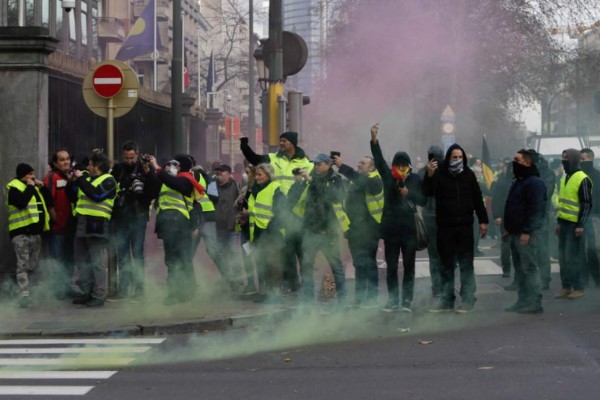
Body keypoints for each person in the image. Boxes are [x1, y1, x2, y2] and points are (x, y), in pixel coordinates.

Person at [240, 132, 313, 293]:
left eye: (284, 141)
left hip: (299, 213)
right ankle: (291, 285)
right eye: (280, 140)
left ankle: (306, 287)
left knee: (300, 251)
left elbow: (313, 185)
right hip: (279, 211)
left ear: (292, 143)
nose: (280, 143)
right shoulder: (273, 158)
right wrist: (244, 145)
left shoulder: (307, 163)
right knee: (285, 252)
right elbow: (255, 158)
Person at [422, 143, 489, 313]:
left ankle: (467, 299)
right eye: (454, 157)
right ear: (448, 158)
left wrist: (483, 220)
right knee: (446, 265)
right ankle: (446, 300)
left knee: (466, 264)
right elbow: (426, 193)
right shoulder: (440, 175)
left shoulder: (469, 175)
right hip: (445, 226)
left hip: (465, 226)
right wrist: (429, 175)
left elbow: (477, 198)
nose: (457, 160)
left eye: (460, 157)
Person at [370, 124, 425, 312]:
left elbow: (423, 200)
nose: (401, 168)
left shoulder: (415, 179)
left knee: (409, 268)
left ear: (409, 166)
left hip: (409, 231)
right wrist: (374, 140)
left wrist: (408, 194)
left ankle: (407, 301)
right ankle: (393, 301)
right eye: (397, 165)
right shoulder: (388, 178)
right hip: (391, 231)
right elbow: (379, 161)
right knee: (391, 267)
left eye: (404, 165)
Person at [150, 155, 204, 305]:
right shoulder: (168, 180)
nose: (171, 166)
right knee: (171, 261)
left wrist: (158, 168)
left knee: (183, 259)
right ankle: (174, 292)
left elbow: (173, 182)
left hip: (181, 226)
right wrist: (148, 169)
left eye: (175, 164)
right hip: (168, 226)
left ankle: (187, 291)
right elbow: (154, 189)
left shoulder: (186, 180)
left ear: (181, 166)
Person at [296, 153, 349, 306]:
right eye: (315, 164)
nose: (316, 167)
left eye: (319, 164)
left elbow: (331, 197)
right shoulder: (311, 179)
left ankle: (342, 300)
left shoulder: (336, 180)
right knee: (306, 267)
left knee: (336, 267)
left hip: (328, 232)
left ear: (328, 165)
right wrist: (299, 182)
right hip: (311, 231)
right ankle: (307, 300)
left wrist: (310, 180)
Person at [333, 154, 384, 307]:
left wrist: (342, 167)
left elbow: (362, 181)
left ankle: (372, 297)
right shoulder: (354, 182)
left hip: (369, 229)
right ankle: (360, 297)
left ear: (371, 167)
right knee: (358, 264)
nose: (359, 164)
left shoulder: (375, 180)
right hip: (354, 229)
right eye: (359, 161)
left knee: (368, 263)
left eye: (363, 163)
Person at [503, 150, 547, 314]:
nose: (514, 163)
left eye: (517, 160)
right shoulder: (519, 181)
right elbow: (514, 207)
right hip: (516, 232)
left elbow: (536, 210)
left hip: (526, 234)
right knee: (520, 269)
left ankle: (535, 302)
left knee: (529, 268)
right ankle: (522, 301)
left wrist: (527, 231)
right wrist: (509, 229)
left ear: (528, 163)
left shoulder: (534, 183)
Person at [110, 141, 155, 300]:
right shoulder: (118, 169)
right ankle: (124, 288)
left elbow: (153, 190)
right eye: (126, 157)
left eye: (132, 157)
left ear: (137, 154)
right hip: (122, 216)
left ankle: (139, 289)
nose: (129, 161)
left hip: (138, 216)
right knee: (122, 254)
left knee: (137, 254)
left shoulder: (144, 168)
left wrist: (147, 171)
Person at [71, 152, 117, 307]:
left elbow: (97, 195)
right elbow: (73, 196)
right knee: (82, 259)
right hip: (82, 222)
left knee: (97, 261)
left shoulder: (109, 180)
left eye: (90, 164)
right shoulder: (88, 180)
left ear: (97, 166)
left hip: (97, 223)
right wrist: (73, 182)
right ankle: (86, 292)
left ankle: (99, 294)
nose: (87, 167)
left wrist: (81, 179)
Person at [6, 163, 52, 308]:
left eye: (33, 174)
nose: (33, 176)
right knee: (23, 265)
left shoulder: (34, 188)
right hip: (21, 234)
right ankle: (23, 294)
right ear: (23, 175)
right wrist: (31, 187)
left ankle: (30, 291)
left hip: (35, 234)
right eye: (30, 174)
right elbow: (21, 203)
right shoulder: (13, 188)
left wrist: (43, 188)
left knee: (32, 265)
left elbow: (49, 201)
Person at [555, 148, 592, 300]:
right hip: (563, 224)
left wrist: (580, 225)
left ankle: (579, 287)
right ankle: (566, 286)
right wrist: (558, 222)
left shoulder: (582, 178)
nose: (564, 160)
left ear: (575, 159)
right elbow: (562, 203)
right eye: (563, 157)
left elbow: (586, 204)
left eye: (566, 157)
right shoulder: (565, 178)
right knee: (563, 257)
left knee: (574, 257)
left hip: (574, 225)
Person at [247, 163, 286, 302]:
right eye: (256, 174)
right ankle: (266, 293)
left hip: (272, 234)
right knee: (262, 264)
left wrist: (271, 228)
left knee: (274, 264)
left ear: (268, 175)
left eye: (260, 175)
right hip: (257, 233)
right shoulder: (255, 190)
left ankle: (276, 294)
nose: (257, 177)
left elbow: (281, 213)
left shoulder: (275, 189)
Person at [42, 150, 77, 299]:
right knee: (59, 260)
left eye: (68, 159)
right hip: (57, 228)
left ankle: (66, 288)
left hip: (68, 227)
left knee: (69, 259)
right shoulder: (52, 177)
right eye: (62, 160)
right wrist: (55, 217)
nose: (66, 162)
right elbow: (48, 199)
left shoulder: (68, 177)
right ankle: (59, 290)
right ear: (55, 163)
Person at [418, 145, 445, 298]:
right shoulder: (423, 172)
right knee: (434, 255)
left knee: (445, 254)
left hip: (445, 216)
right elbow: (422, 192)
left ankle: (444, 285)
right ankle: (437, 287)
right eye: (431, 155)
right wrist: (429, 174)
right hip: (430, 216)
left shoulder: (447, 171)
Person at [213, 163, 243, 291]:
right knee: (221, 254)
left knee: (234, 252)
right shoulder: (212, 186)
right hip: (219, 226)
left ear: (229, 174)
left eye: (222, 171)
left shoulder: (236, 185)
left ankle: (237, 277)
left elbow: (242, 201)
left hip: (232, 225)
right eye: (218, 171)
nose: (219, 173)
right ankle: (228, 277)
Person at [579, 148, 600, 288]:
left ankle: (590, 277)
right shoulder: (596, 175)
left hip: (590, 216)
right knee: (588, 249)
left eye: (583, 159)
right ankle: (592, 278)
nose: (581, 162)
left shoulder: (581, 175)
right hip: (588, 216)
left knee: (589, 249)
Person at [236, 164, 258, 295]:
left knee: (259, 257)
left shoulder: (258, 188)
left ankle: (263, 285)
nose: (245, 175)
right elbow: (237, 203)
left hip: (256, 228)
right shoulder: (245, 189)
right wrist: (238, 203)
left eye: (248, 172)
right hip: (245, 228)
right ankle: (250, 284)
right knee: (247, 256)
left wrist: (249, 212)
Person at [491, 161, 514, 284]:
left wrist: (497, 215)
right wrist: (497, 215)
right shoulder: (503, 183)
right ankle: (506, 269)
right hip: (507, 217)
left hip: (509, 217)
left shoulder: (516, 182)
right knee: (507, 244)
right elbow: (496, 201)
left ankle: (507, 270)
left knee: (508, 244)